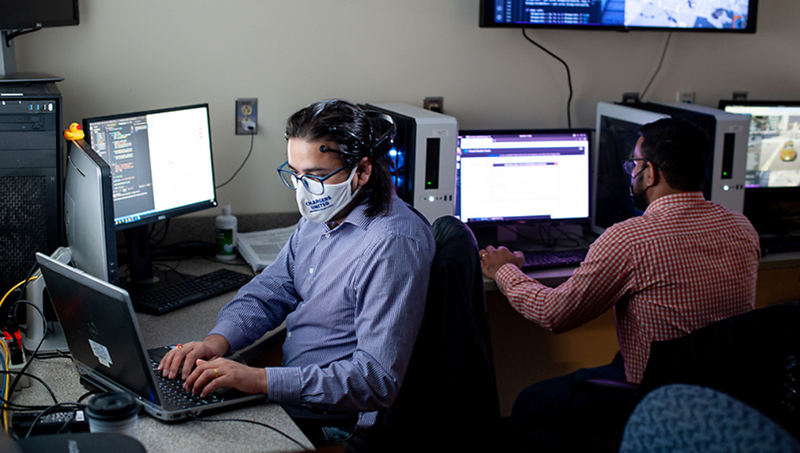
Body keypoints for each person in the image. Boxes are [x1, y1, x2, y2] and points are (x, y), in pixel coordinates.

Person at [158, 99, 435, 447]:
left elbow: (375, 380)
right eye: (296, 174)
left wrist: (260, 380)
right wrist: (216, 343)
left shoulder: (392, 244)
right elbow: (272, 288)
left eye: (317, 176)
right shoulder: (324, 214)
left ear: (362, 171)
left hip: (339, 420)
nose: (305, 191)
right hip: (298, 396)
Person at [479, 117, 761, 451]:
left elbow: (552, 314)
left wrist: (503, 271)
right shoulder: (741, 226)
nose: (632, 172)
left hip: (656, 399)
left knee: (529, 405)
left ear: (651, 173)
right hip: (726, 393)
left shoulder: (630, 238)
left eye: (634, 163)